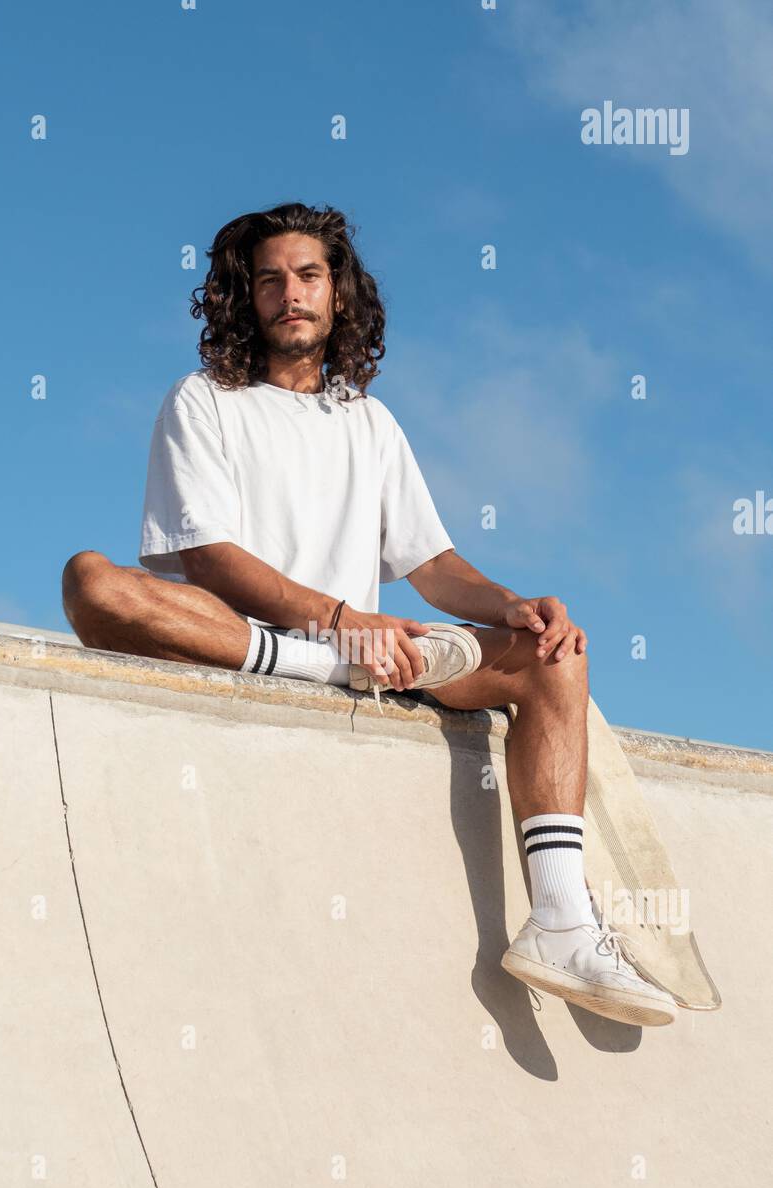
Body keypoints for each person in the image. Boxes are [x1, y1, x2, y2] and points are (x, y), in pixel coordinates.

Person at [62, 200, 677, 1028]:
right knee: (93, 582)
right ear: (245, 299)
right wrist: (343, 626)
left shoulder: (370, 421)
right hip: (261, 647)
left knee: (553, 653)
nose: (291, 294)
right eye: (270, 279)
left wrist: (510, 604)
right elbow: (208, 556)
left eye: (309, 276)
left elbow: (431, 565)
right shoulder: (203, 401)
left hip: (384, 660)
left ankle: (561, 920)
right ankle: (329, 664)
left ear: (339, 294)